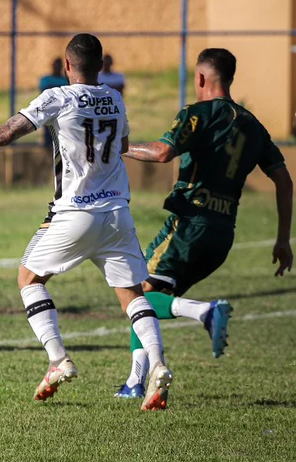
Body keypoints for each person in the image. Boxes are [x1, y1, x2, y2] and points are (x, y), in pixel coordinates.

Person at [0, 33, 173, 411]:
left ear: (66, 65)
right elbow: (120, 148)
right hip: (117, 213)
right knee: (133, 294)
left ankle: (58, 360)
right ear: (101, 66)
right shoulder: (115, 98)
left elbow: (5, 133)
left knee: (28, 278)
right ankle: (159, 364)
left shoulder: (57, 96)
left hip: (75, 212)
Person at [112, 48, 292, 400]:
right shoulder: (253, 125)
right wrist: (283, 239)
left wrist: (118, 146)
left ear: (200, 78)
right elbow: (285, 181)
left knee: (135, 294)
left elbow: (163, 153)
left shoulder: (198, 113)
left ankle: (204, 312)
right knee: (149, 293)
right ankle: (136, 382)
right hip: (223, 234)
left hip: (188, 224)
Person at [38, 58, 69, 148]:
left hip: (62, 111)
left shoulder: (65, 80)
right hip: (49, 110)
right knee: (48, 132)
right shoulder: (46, 79)